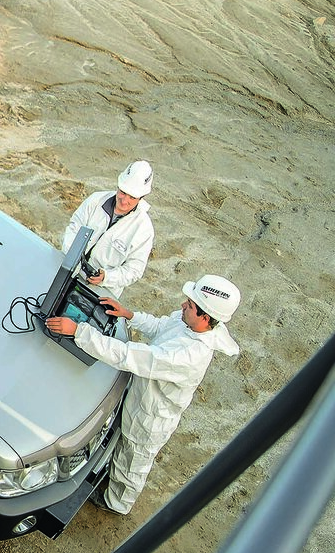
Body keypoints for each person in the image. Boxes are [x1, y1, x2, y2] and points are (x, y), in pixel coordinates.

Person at [44, 275, 241, 515]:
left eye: (189, 305)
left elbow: (129, 356)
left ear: (205, 317)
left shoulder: (188, 356)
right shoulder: (188, 323)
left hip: (150, 417)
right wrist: (130, 315)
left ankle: (116, 503)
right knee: (120, 444)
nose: (182, 306)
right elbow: (160, 326)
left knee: (132, 460)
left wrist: (79, 332)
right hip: (140, 395)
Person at [63, 160, 155, 298]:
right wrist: (71, 256)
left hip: (100, 292)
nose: (124, 201)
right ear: (118, 186)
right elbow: (74, 227)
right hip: (68, 271)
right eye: (123, 192)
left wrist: (107, 277)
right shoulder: (95, 201)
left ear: (142, 197)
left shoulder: (144, 230)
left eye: (132, 197)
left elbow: (134, 269)